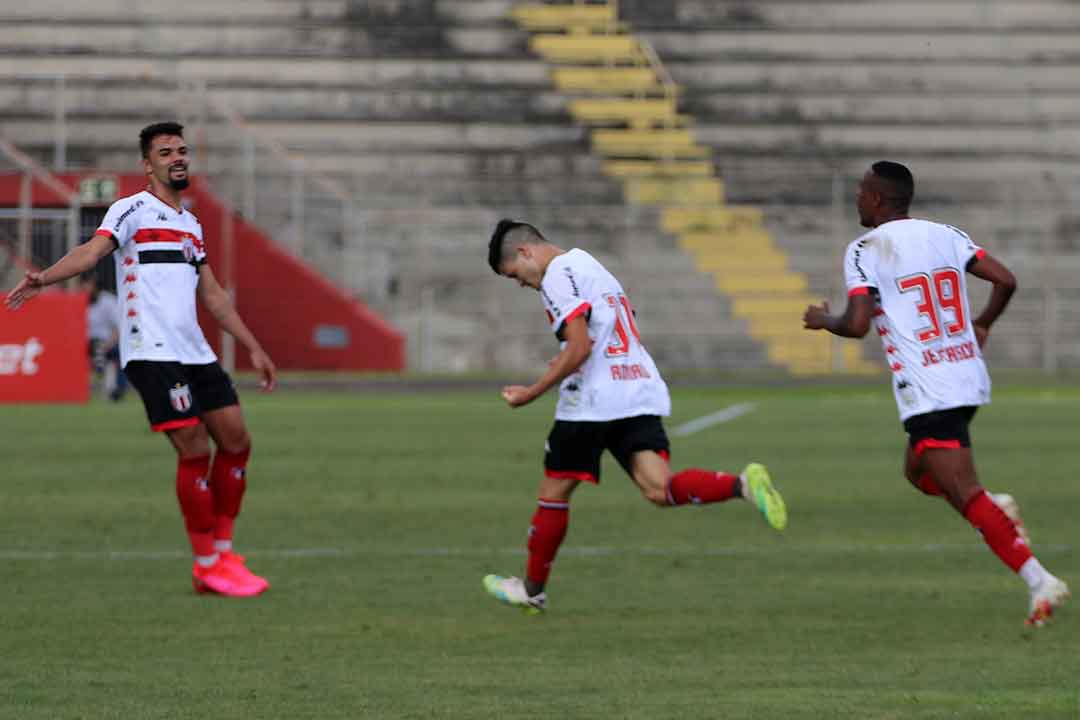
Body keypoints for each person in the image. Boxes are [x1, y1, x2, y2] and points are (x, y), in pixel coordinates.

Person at [5, 121, 276, 598]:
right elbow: (92, 252)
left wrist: (253, 344)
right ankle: (207, 564)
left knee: (236, 441)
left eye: (182, 150)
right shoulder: (130, 210)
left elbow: (212, 295)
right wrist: (42, 279)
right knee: (194, 448)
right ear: (146, 164)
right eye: (166, 152)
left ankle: (225, 551)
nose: (177, 158)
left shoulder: (191, 225)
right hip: (151, 351)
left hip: (194, 350)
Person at [803, 161, 1069, 627]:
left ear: (879, 199)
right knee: (917, 470)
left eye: (862, 193)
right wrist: (982, 323)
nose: (857, 200)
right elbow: (1006, 280)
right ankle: (994, 508)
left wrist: (822, 319)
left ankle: (1039, 579)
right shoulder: (944, 233)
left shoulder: (866, 248)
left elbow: (857, 323)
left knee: (964, 492)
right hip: (966, 374)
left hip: (930, 387)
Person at [482, 219, 788, 613]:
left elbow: (580, 347)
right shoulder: (589, 264)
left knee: (554, 491)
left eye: (515, 276)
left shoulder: (557, 276)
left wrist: (531, 392)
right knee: (658, 489)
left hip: (592, 401)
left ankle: (532, 591)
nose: (522, 284)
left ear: (525, 252)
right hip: (636, 386)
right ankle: (743, 485)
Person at [81, 272, 128, 402]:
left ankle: (117, 389)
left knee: (121, 353)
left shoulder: (109, 302)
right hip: (84, 343)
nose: (85, 287)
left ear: (96, 286)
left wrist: (108, 344)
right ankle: (97, 379)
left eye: (88, 284)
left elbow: (119, 328)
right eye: (84, 284)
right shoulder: (79, 301)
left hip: (107, 342)